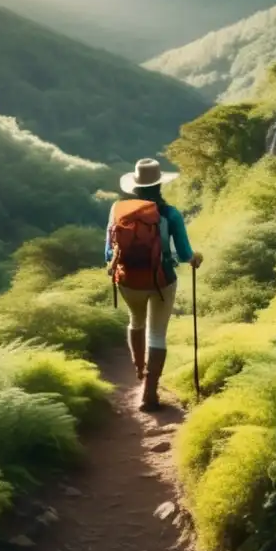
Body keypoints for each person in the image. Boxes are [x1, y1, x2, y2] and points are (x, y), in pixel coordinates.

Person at [105, 158, 203, 412]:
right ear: (159, 185)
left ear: (135, 186)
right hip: (162, 281)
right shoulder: (170, 214)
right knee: (157, 333)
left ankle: (139, 370)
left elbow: (108, 254)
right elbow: (184, 254)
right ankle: (149, 392)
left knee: (135, 321)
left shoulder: (118, 210)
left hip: (129, 282)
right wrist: (195, 258)